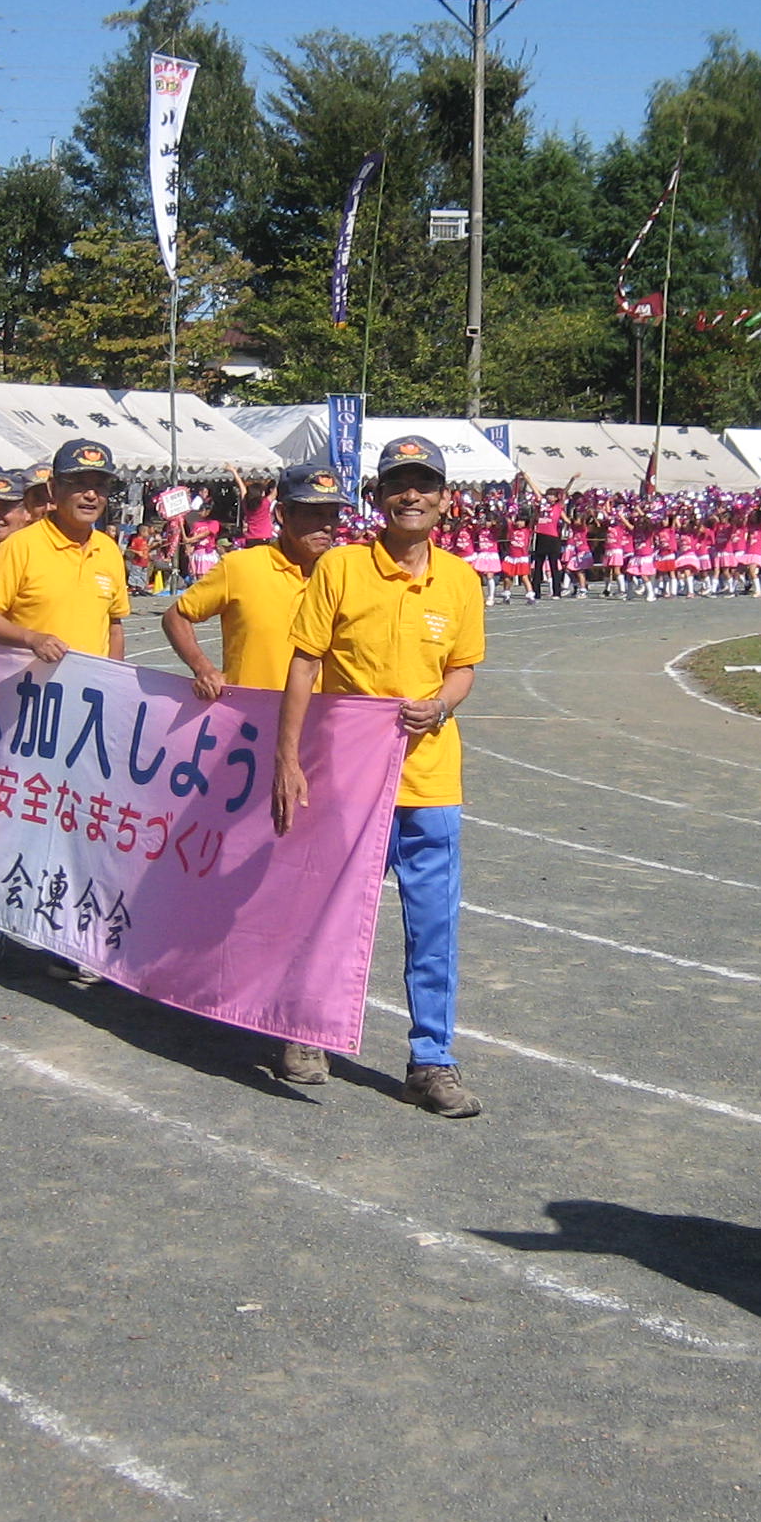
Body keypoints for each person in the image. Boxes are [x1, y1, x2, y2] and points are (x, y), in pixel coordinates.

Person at [274, 435, 487, 1118]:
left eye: (425, 484)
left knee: (433, 929)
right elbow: (304, 664)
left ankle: (432, 1060)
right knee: (328, 912)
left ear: (445, 500)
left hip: (431, 786)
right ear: (379, 496)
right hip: (349, 780)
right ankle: (305, 1030)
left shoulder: (460, 580)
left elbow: (463, 668)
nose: (412, 495)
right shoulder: (338, 569)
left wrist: (444, 702)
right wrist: (287, 760)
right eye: (399, 483)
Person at [161, 459, 351, 1079]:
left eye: (333, 516)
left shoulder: (350, 572)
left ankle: (296, 1027)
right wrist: (202, 667)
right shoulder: (243, 567)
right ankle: (223, 996)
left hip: (330, 753)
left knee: (313, 890)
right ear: (285, 515)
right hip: (247, 756)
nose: (325, 527)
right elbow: (178, 614)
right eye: (313, 514)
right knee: (243, 886)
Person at [0, 438, 132, 979]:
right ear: (53, 490)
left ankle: (65, 939)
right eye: (78, 483)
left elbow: (116, 623)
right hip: (25, 710)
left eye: (101, 485)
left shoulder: (109, 550)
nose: (91, 494)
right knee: (15, 814)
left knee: (77, 824)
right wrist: (30, 636)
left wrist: (114, 683)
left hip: (85, 714)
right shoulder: (20, 546)